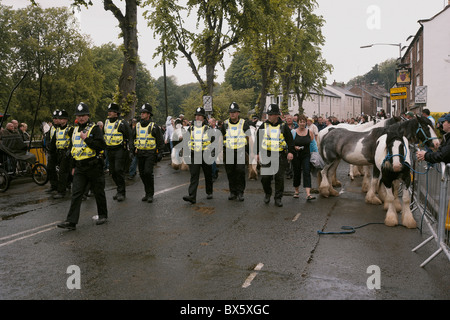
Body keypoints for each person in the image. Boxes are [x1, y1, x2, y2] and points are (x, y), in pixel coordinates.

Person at [57, 102, 108, 230]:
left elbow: (101, 146)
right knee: (76, 193)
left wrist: (87, 139)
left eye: (83, 115)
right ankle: (71, 221)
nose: (81, 118)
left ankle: (103, 215)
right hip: (80, 167)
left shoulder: (95, 129)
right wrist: (73, 166)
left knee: (98, 192)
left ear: (88, 116)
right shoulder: (74, 131)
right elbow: (73, 149)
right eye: (79, 115)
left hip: (94, 166)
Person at [256, 104, 294, 207]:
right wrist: (256, 153)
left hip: (280, 155)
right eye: (269, 114)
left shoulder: (283, 126)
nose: (269, 116)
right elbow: (258, 140)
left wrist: (290, 152)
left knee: (279, 178)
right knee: (265, 178)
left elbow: (290, 141)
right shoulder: (263, 126)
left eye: (271, 114)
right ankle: (267, 193)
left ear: (277, 115)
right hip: (266, 154)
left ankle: (278, 198)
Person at [131, 103, 165, 203]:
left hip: (150, 153)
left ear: (149, 114)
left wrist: (160, 152)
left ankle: (150, 194)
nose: (142, 114)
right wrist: (132, 150)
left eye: (144, 113)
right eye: (141, 113)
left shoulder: (154, 126)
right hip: (140, 153)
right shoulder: (137, 126)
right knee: (142, 174)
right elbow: (132, 139)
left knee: (148, 172)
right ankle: (147, 192)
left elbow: (160, 140)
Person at [183, 107, 215, 204]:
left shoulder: (208, 128)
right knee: (194, 175)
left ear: (203, 117)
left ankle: (209, 191)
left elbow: (213, 141)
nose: (197, 117)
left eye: (199, 115)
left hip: (205, 154)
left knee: (208, 174)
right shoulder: (191, 128)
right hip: (194, 154)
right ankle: (192, 196)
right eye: (196, 115)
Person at [221, 102, 251, 201]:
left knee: (240, 171)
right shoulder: (225, 124)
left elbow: (249, 137)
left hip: (240, 151)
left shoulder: (243, 123)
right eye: (231, 112)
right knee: (230, 172)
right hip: (228, 151)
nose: (232, 114)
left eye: (234, 112)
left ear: (238, 113)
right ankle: (232, 191)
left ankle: (240, 192)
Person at [103, 103, 131, 202]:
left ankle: (121, 192)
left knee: (119, 170)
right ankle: (119, 189)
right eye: (109, 111)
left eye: (111, 111)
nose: (109, 113)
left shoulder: (122, 123)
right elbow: (104, 135)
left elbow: (129, 136)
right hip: (109, 150)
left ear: (116, 113)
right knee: (112, 172)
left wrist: (130, 150)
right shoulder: (106, 122)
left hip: (119, 150)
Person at [291, 114, 316, 201]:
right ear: (297, 123)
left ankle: (308, 194)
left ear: (306, 123)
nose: (302, 123)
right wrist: (294, 147)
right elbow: (289, 144)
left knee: (306, 172)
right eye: (300, 122)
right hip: (296, 155)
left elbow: (313, 144)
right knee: (297, 173)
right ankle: (296, 191)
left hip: (306, 155)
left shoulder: (309, 132)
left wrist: (316, 154)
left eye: (304, 122)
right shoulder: (293, 132)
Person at [51, 110, 73, 199]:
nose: (60, 120)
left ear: (66, 119)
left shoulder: (70, 129)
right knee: (67, 172)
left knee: (63, 172)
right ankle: (67, 186)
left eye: (62, 118)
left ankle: (61, 192)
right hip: (59, 153)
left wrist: (70, 150)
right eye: (59, 118)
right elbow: (53, 142)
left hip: (67, 154)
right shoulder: (58, 129)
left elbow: (74, 140)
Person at [45, 110, 60, 194]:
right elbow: (48, 137)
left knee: (64, 171)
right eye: (54, 118)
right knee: (50, 168)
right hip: (53, 151)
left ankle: (66, 184)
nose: (55, 120)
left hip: (61, 151)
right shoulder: (52, 128)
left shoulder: (63, 127)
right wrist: (47, 144)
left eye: (56, 118)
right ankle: (54, 185)